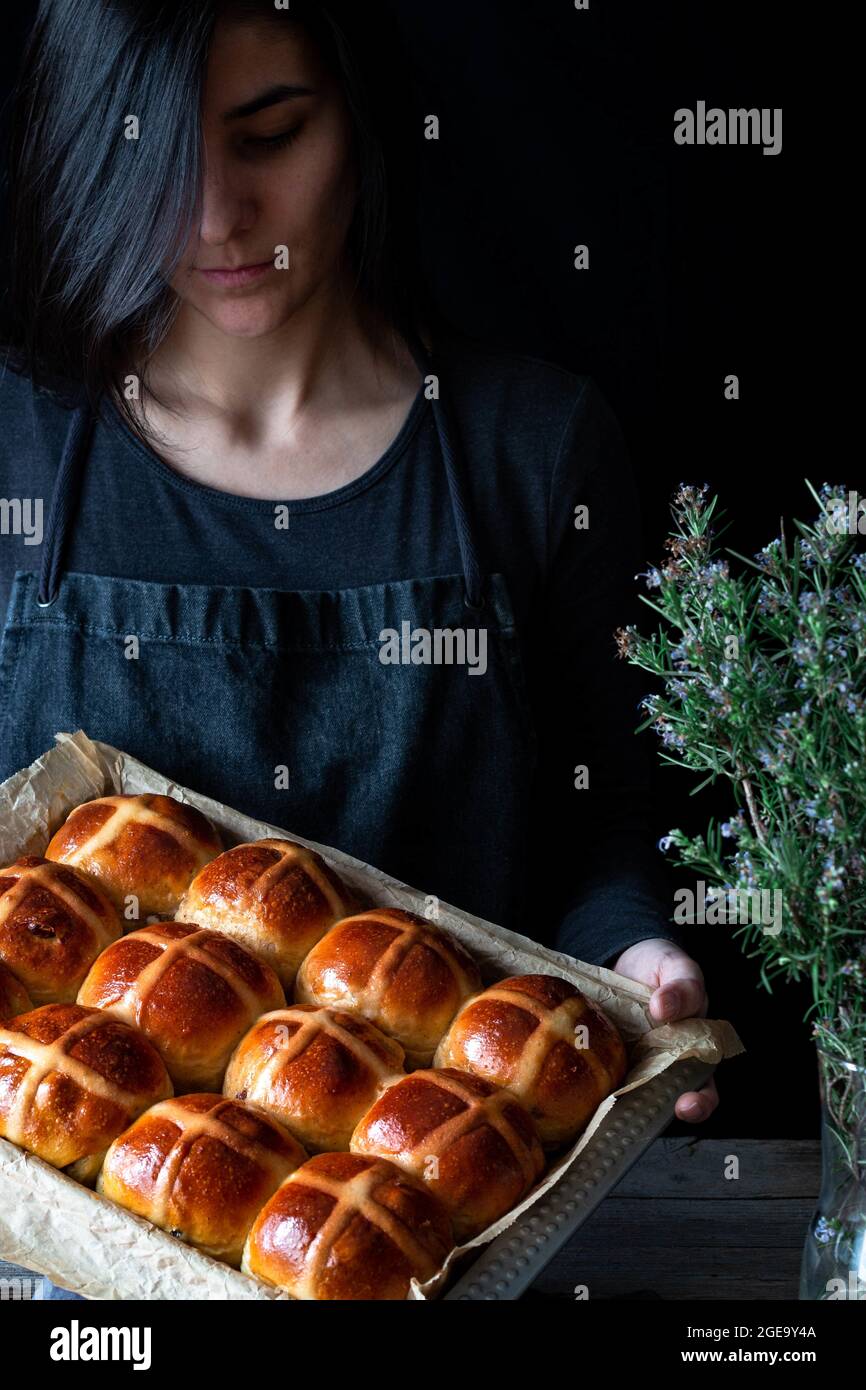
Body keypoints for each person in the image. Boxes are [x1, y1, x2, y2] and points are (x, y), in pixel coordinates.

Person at [0, 0, 717, 1296]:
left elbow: (603, 829)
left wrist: (633, 959)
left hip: (433, 1233)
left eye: (271, 132)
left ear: (360, 121)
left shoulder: (532, 449)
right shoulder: (13, 448)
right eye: (156, 153)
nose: (215, 213)